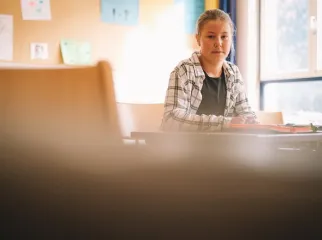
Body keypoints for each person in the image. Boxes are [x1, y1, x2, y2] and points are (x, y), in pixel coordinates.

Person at [161, 9, 258, 131]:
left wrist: (251, 121)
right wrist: (225, 123)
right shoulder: (183, 71)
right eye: (211, 36)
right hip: (187, 147)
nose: (218, 43)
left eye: (224, 37)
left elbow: (245, 112)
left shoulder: (234, 73)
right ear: (198, 39)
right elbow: (172, 119)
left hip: (224, 147)